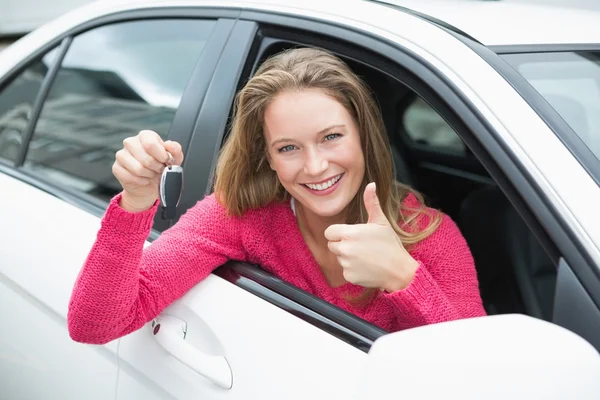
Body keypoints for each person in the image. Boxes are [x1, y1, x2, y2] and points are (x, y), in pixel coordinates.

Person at [68, 47, 486, 344]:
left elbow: (476, 377)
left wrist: (402, 278)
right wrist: (136, 201)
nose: (316, 166)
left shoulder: (428, 236)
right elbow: (97, 324)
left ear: (364, 136)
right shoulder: (242, 217)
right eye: (288, 148)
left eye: (332, 137)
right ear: (266, 157)